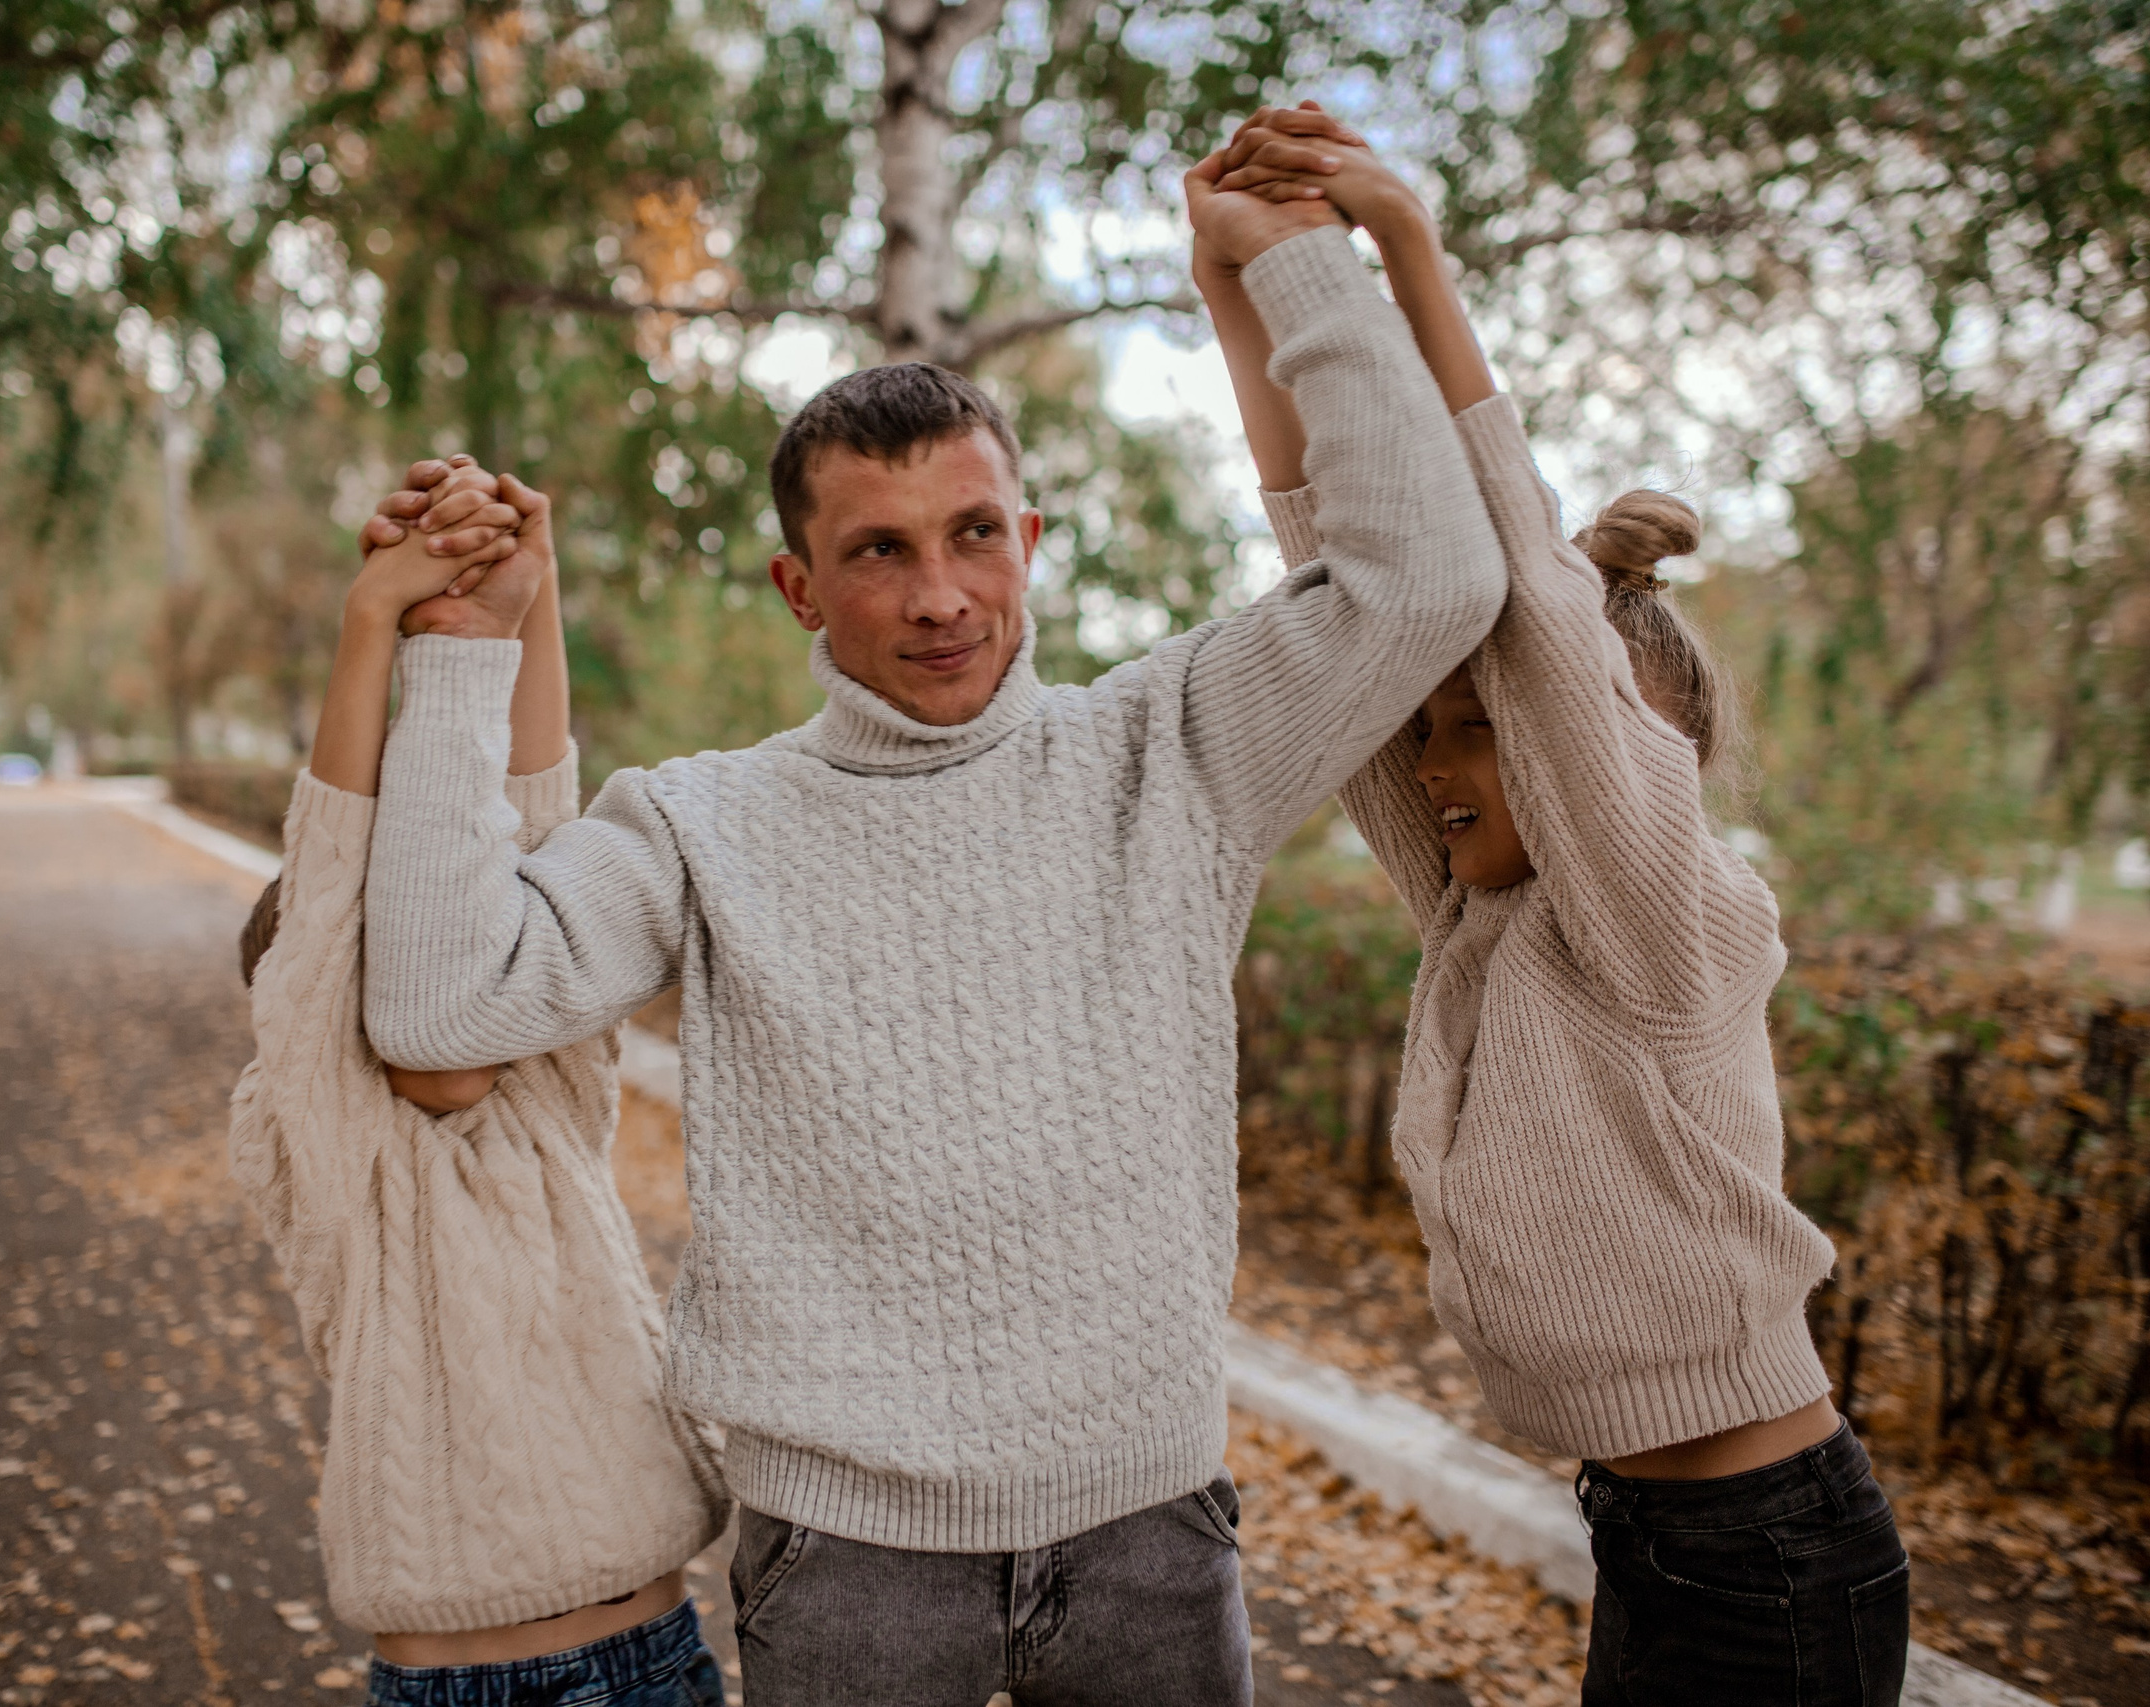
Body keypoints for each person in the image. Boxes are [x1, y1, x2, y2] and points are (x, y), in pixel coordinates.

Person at [344, 155, 1509, 1705]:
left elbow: (1431, 578)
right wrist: (458, 658)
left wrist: (1290, 260)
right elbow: (436, 1002)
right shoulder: (701, 822)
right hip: (847, 1563)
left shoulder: (1173, 748)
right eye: (880, 550)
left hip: (1150, 1532)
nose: (942, 593)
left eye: (974, 534)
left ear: (1029, 536)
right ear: (798, 588)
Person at [1219, 108, 1911, 1707]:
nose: (1441, 766)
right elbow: (1352, 603)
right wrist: (1238, 288)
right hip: (1654, 1535)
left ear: (1625, 761)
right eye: (1440, 731)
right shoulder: (1482, 921)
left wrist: (1404, 255)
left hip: (1771, 1556)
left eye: (1490, 731)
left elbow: (1532, 611)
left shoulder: (1679, 925)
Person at [226, 455, 732, 1707]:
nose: (444, 993)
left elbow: (533, 827)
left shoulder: (548, 1094)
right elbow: (337, 885)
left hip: (654, 1662)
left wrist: (528, 594)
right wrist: (374, 623)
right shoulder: (318, 1137)